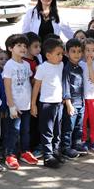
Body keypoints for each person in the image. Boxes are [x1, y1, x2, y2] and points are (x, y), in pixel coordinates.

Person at [31, 38, 66, 167]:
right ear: (48, 55)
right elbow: (36, 86)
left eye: (62, 53)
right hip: (46, 103)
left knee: (57, 129)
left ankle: (56, 151)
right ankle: (48, 156)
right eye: (58, 54)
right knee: (47, 131)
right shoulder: (42, 68)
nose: (61, 56)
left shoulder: (61, 65)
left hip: (58, 103)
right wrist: (33, 104)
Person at [3, 34, 35, 169]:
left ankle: (25, 152)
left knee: (25, 130)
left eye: (24, 46)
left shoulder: (27, 64)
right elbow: (7, 86)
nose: (23, 48)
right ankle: (10, 154)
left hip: (26, 104)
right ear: (11, 48)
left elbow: (30, 82)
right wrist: (11, 106)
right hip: (15, 106)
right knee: (14, 131)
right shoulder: (9, 65)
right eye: (19, 45)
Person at [61, 38, 87, 158]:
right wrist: (68, 104)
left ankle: (76, 144)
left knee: (78, 125)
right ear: (67, 53)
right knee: (68, 127)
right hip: (71, 104)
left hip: (81, 102)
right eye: (73, 51)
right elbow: (65, 88)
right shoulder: (66, 69)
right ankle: (65, 148)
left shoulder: (80, 68)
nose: (77, 54)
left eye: (79, 51)